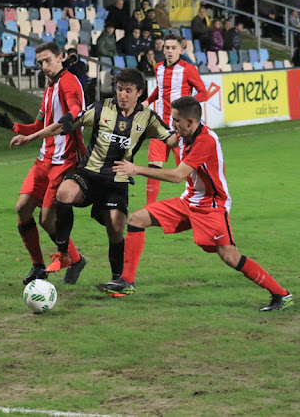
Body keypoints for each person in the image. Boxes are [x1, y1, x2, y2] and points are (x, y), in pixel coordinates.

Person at [101, 96, 294, 312]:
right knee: (137, 219)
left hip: (211, 206)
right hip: (188, 200)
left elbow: (177, 176)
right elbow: (163, 136)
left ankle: (281, 294)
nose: (172, 124)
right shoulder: (184, 133)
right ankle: (127, 282)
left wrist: (136, 169)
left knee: (230, 256)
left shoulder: (205, 141)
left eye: (175, 120)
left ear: (190, 122)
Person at [9, 69, 178, 283]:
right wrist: (30, 138)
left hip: (116, 182)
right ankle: (64, 253)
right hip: (88, 175)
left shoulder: (147, 118)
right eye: (119, 89)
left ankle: (118, 278)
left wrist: (190, 132)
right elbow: (64, 124)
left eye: (128, 90)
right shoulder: (101, 108)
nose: (122, 95)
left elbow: (172, 140)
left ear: (139, 93)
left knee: (116, 227)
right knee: (64, 192)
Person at [0, 42, 87, 285]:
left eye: (47, 60)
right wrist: (12, 126)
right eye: (40, 62)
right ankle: (37, 265)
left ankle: (74, 259)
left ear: (60, 57)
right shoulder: (50, 88)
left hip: (64, 161)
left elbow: (75, 110)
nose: (43, 66)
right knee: (22, 207)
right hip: (43, 160)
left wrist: (71, 116)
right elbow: (38, 126)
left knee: (46, 220)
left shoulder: (69, 82)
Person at [142, 34, 208, 205]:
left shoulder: (188, 69)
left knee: (185, 171)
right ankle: (149, 208)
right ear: (163, 49)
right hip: (160, 126)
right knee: (153, 167)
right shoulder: (158, 68)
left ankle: (196, 201)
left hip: (182, 130)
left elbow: (203, 92)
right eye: (167, 47)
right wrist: (148, 101)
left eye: (173, 48)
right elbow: (161, 87)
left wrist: (188, 106)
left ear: (181, 49)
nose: (169, 51)